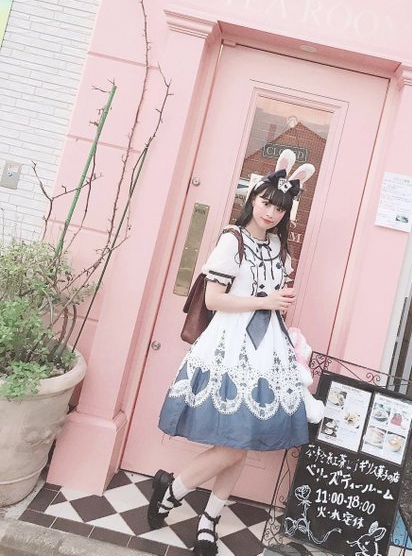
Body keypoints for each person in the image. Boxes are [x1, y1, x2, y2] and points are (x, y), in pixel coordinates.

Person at [148, 150, 316, 556]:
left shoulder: (280, 249)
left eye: (279, 208)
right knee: (236, 443)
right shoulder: (232, 240)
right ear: (252, 198)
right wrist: (266, 301)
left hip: (266, 350)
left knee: (245, 440)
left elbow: (273, 300)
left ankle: (208, 517)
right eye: (265, 202)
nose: (271, 213)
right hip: (229, 347)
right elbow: (215, 299)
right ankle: (174, 491)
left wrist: (276, 305)